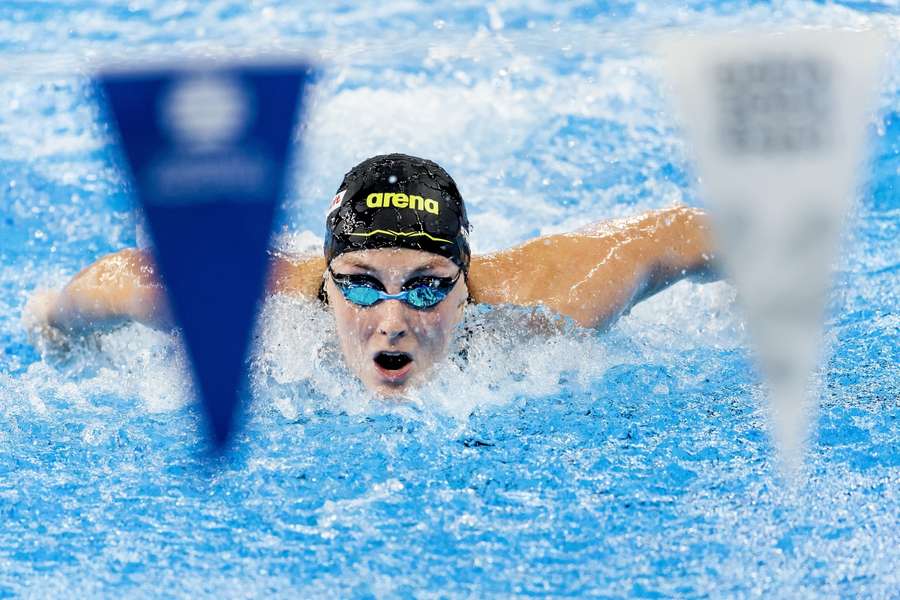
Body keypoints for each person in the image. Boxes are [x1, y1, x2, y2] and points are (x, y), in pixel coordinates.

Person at [24, 154, 717, 396]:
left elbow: (682, 233)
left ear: (466, 280)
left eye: (426, 285)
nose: (393, 320)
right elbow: (119, 280)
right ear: (323, 283)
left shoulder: (552, 297)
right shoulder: (246, 302)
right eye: (358, 283)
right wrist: (55, 325)